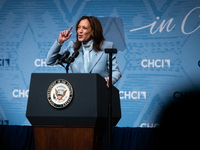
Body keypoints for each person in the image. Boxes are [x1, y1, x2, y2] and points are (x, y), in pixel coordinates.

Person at [46, 16, 121, 86]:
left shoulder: (107, 47)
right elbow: (50, 61)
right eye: (78, 28)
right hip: (78, 93)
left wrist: (109, 80)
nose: (80, 31)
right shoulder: (72, 47)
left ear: (93, 31)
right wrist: (60, 42)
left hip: (99, 92)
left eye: (84, 28)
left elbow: (116, 72)